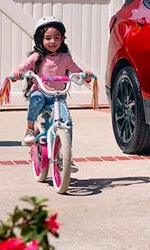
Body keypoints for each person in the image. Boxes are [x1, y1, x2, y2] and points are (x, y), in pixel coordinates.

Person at [10, 16, 90, 154]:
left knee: (66, 123)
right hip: (40, 92)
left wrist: (85, 76)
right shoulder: (37, 56)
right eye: (48, 38)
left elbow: (75, 70)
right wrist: (17, 72)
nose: (52, 41)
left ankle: (66, 154)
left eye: (56, 37)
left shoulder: (65, 57)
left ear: (62, 38)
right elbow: (23, 66)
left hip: (57, 96)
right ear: (40, 39)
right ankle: (30, 129)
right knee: (36, 100)